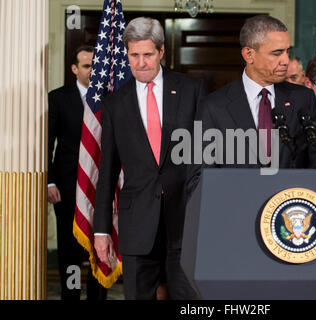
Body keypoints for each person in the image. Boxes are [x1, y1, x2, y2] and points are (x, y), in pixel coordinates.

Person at [93, 17, 205, 300]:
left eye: (147, 54)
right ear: (127, 54)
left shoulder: (192, 90)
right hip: (137, 225)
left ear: (161, 51)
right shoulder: (114, 104)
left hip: (185, 221)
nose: (141, 63)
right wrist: (101, 230)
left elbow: (206, 158)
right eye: (134, 55)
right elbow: (106, 173)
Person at [186, 15, 316, 195]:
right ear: (249, 54)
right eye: (277, 53)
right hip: (236, 215)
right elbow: (199, 180)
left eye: (287, 52)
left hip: (289, 214)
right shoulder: (214, 107)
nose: (285, 60)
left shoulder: (304, 100)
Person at [48, 45, 107, 300]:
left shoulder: (111, 97)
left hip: (102, 187)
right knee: (70, 250)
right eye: (86, 66)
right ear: (74, 69)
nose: (93, 70)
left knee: (100, 248)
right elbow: (46, 143)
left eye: (95, 64)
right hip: (67, 187)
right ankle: (70, 297)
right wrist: (49, 181)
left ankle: (97, 297)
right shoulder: (58, 98)